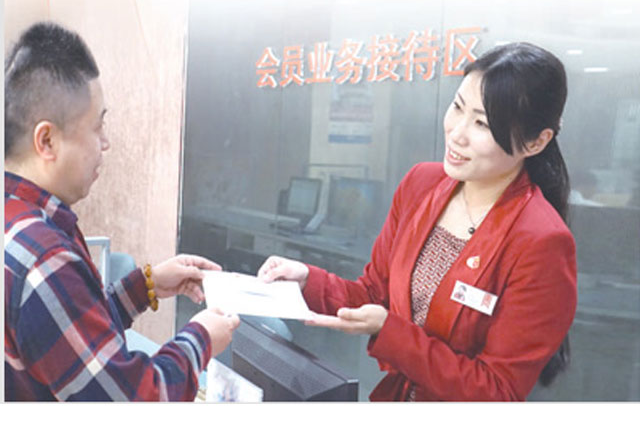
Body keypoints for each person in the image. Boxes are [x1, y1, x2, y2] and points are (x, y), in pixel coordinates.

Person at [258, 42, 577, 401]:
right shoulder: (422, 183)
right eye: (458, 107)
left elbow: (496, 391)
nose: (457, 133)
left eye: (482, 123)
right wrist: (308, 280)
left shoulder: (541, 241)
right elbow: (375, 294)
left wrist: (391, 333)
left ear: (536, 142)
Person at [4, 22, 240, 401]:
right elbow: (135, 400)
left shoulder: (19, 219)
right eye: (97, 127)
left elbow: (70, 335)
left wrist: (147, 285)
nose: (106, 143)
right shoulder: (44, 257)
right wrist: (201, 338)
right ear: (46, 140)